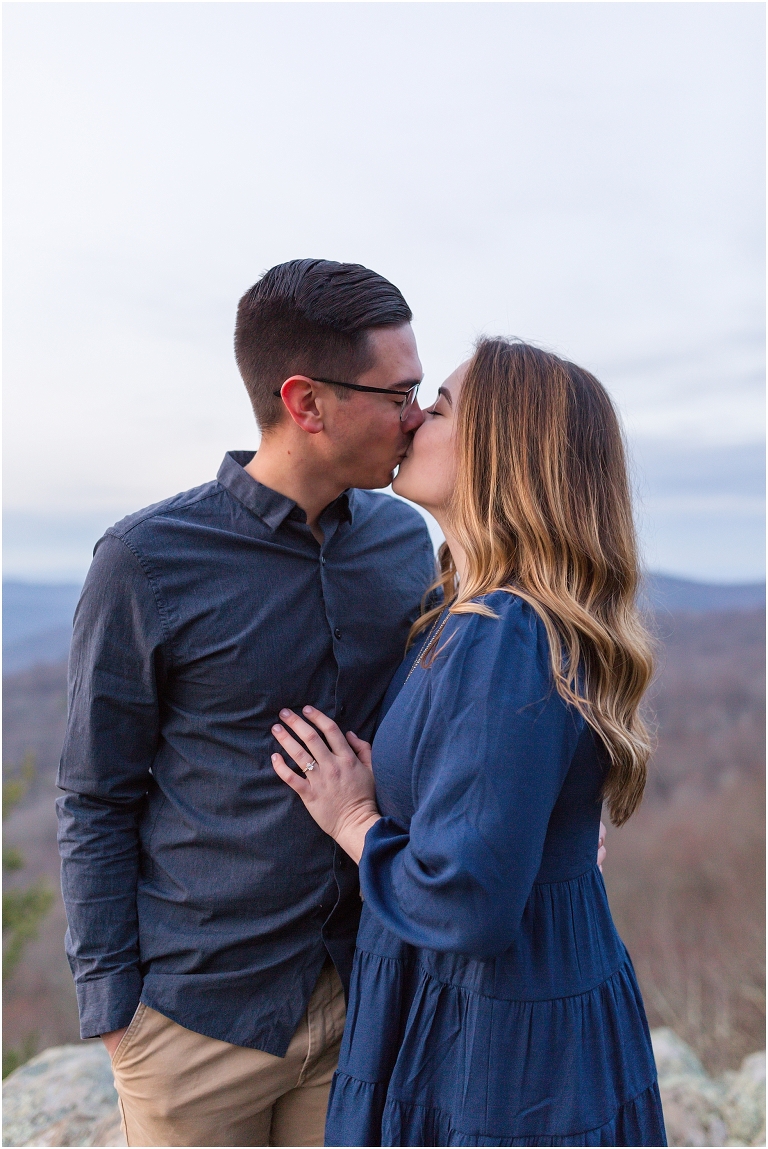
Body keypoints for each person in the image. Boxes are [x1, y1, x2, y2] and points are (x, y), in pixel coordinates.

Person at [56, 259, 436, 1147]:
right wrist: (118, 1014)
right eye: (399, 391)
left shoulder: (404, 540)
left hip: (361, 1000)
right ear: (306, 402)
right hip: (194, 1020)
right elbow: (95, 793)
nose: (416, 415)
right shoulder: (146, 560)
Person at [271, 338, 667, 1147]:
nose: (413, 418)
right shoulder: (482, 610)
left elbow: (468, 901)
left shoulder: (509, 632)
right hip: (523, 996)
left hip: (497, 1038)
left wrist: (352, 817)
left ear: (502, 449)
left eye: (440, 405)